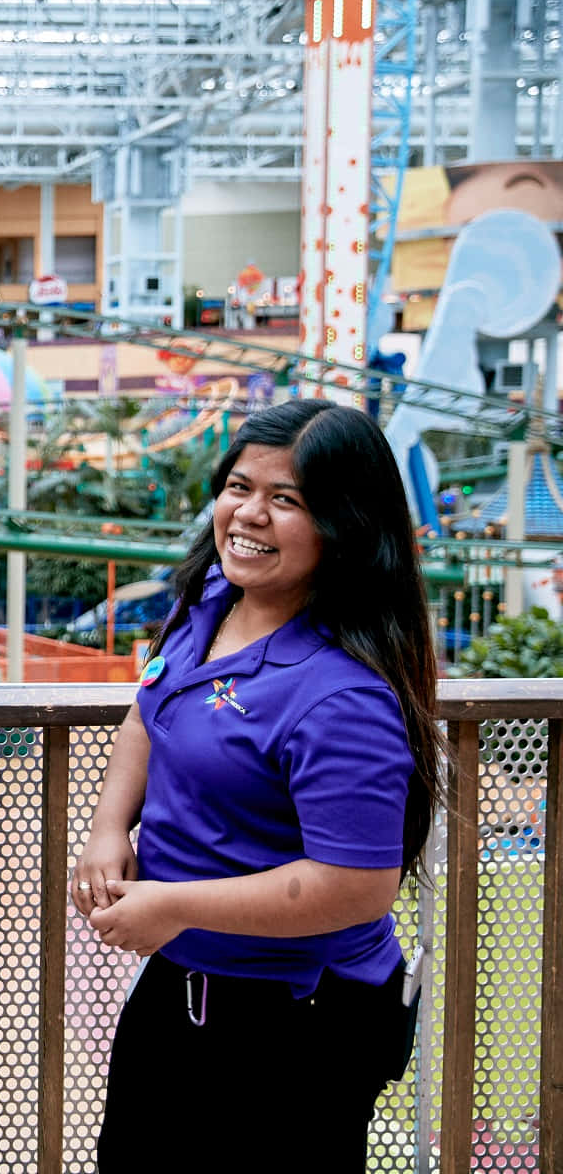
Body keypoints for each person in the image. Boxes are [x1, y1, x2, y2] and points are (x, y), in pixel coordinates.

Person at [72, 398, 444, 1173]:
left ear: (345, 524)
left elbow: (356, 886)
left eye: (287, 500)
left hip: (294, 1023)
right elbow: (150, 709)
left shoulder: (343, 694)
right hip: (180, 981)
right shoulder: (210, 603)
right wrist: (110, 827)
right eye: (239, 486)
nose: (249, 514)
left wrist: (170, 904)